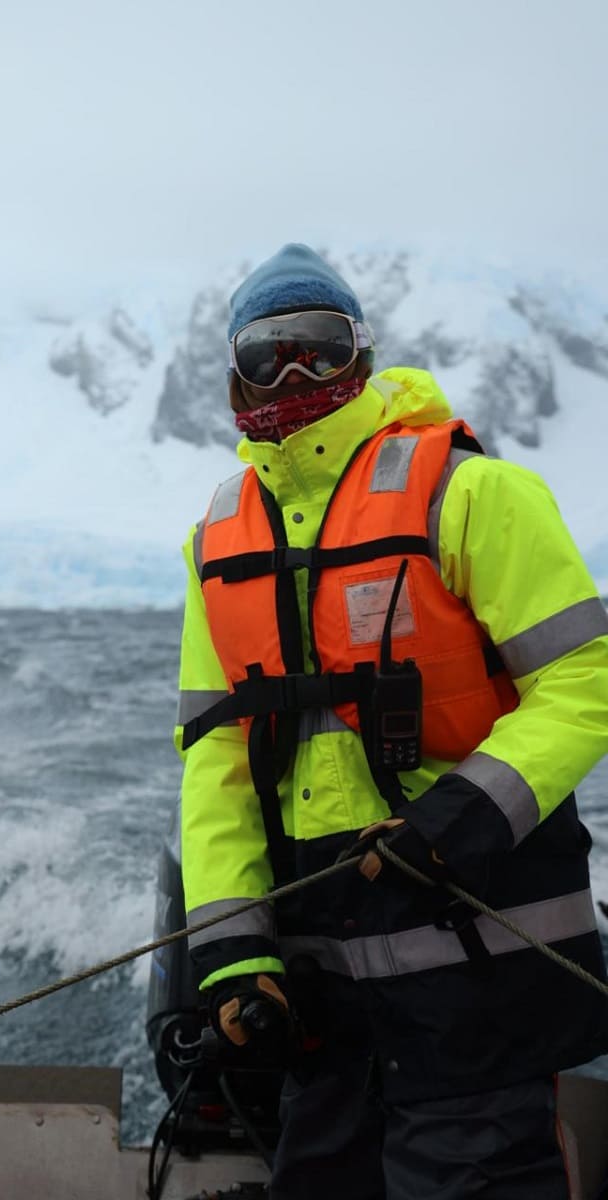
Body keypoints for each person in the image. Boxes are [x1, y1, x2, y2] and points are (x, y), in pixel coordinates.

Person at [174, 243, 608, 1199]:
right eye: (268, 354)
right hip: (323, 1008)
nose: (296, 373)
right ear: (234, 375)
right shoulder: (215, 544)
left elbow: (587, 678)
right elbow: (218, 765)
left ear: (363, 355)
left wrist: (462, 817)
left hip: (481, 982)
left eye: (321, 346)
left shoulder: (472, 491)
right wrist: (235, 957)